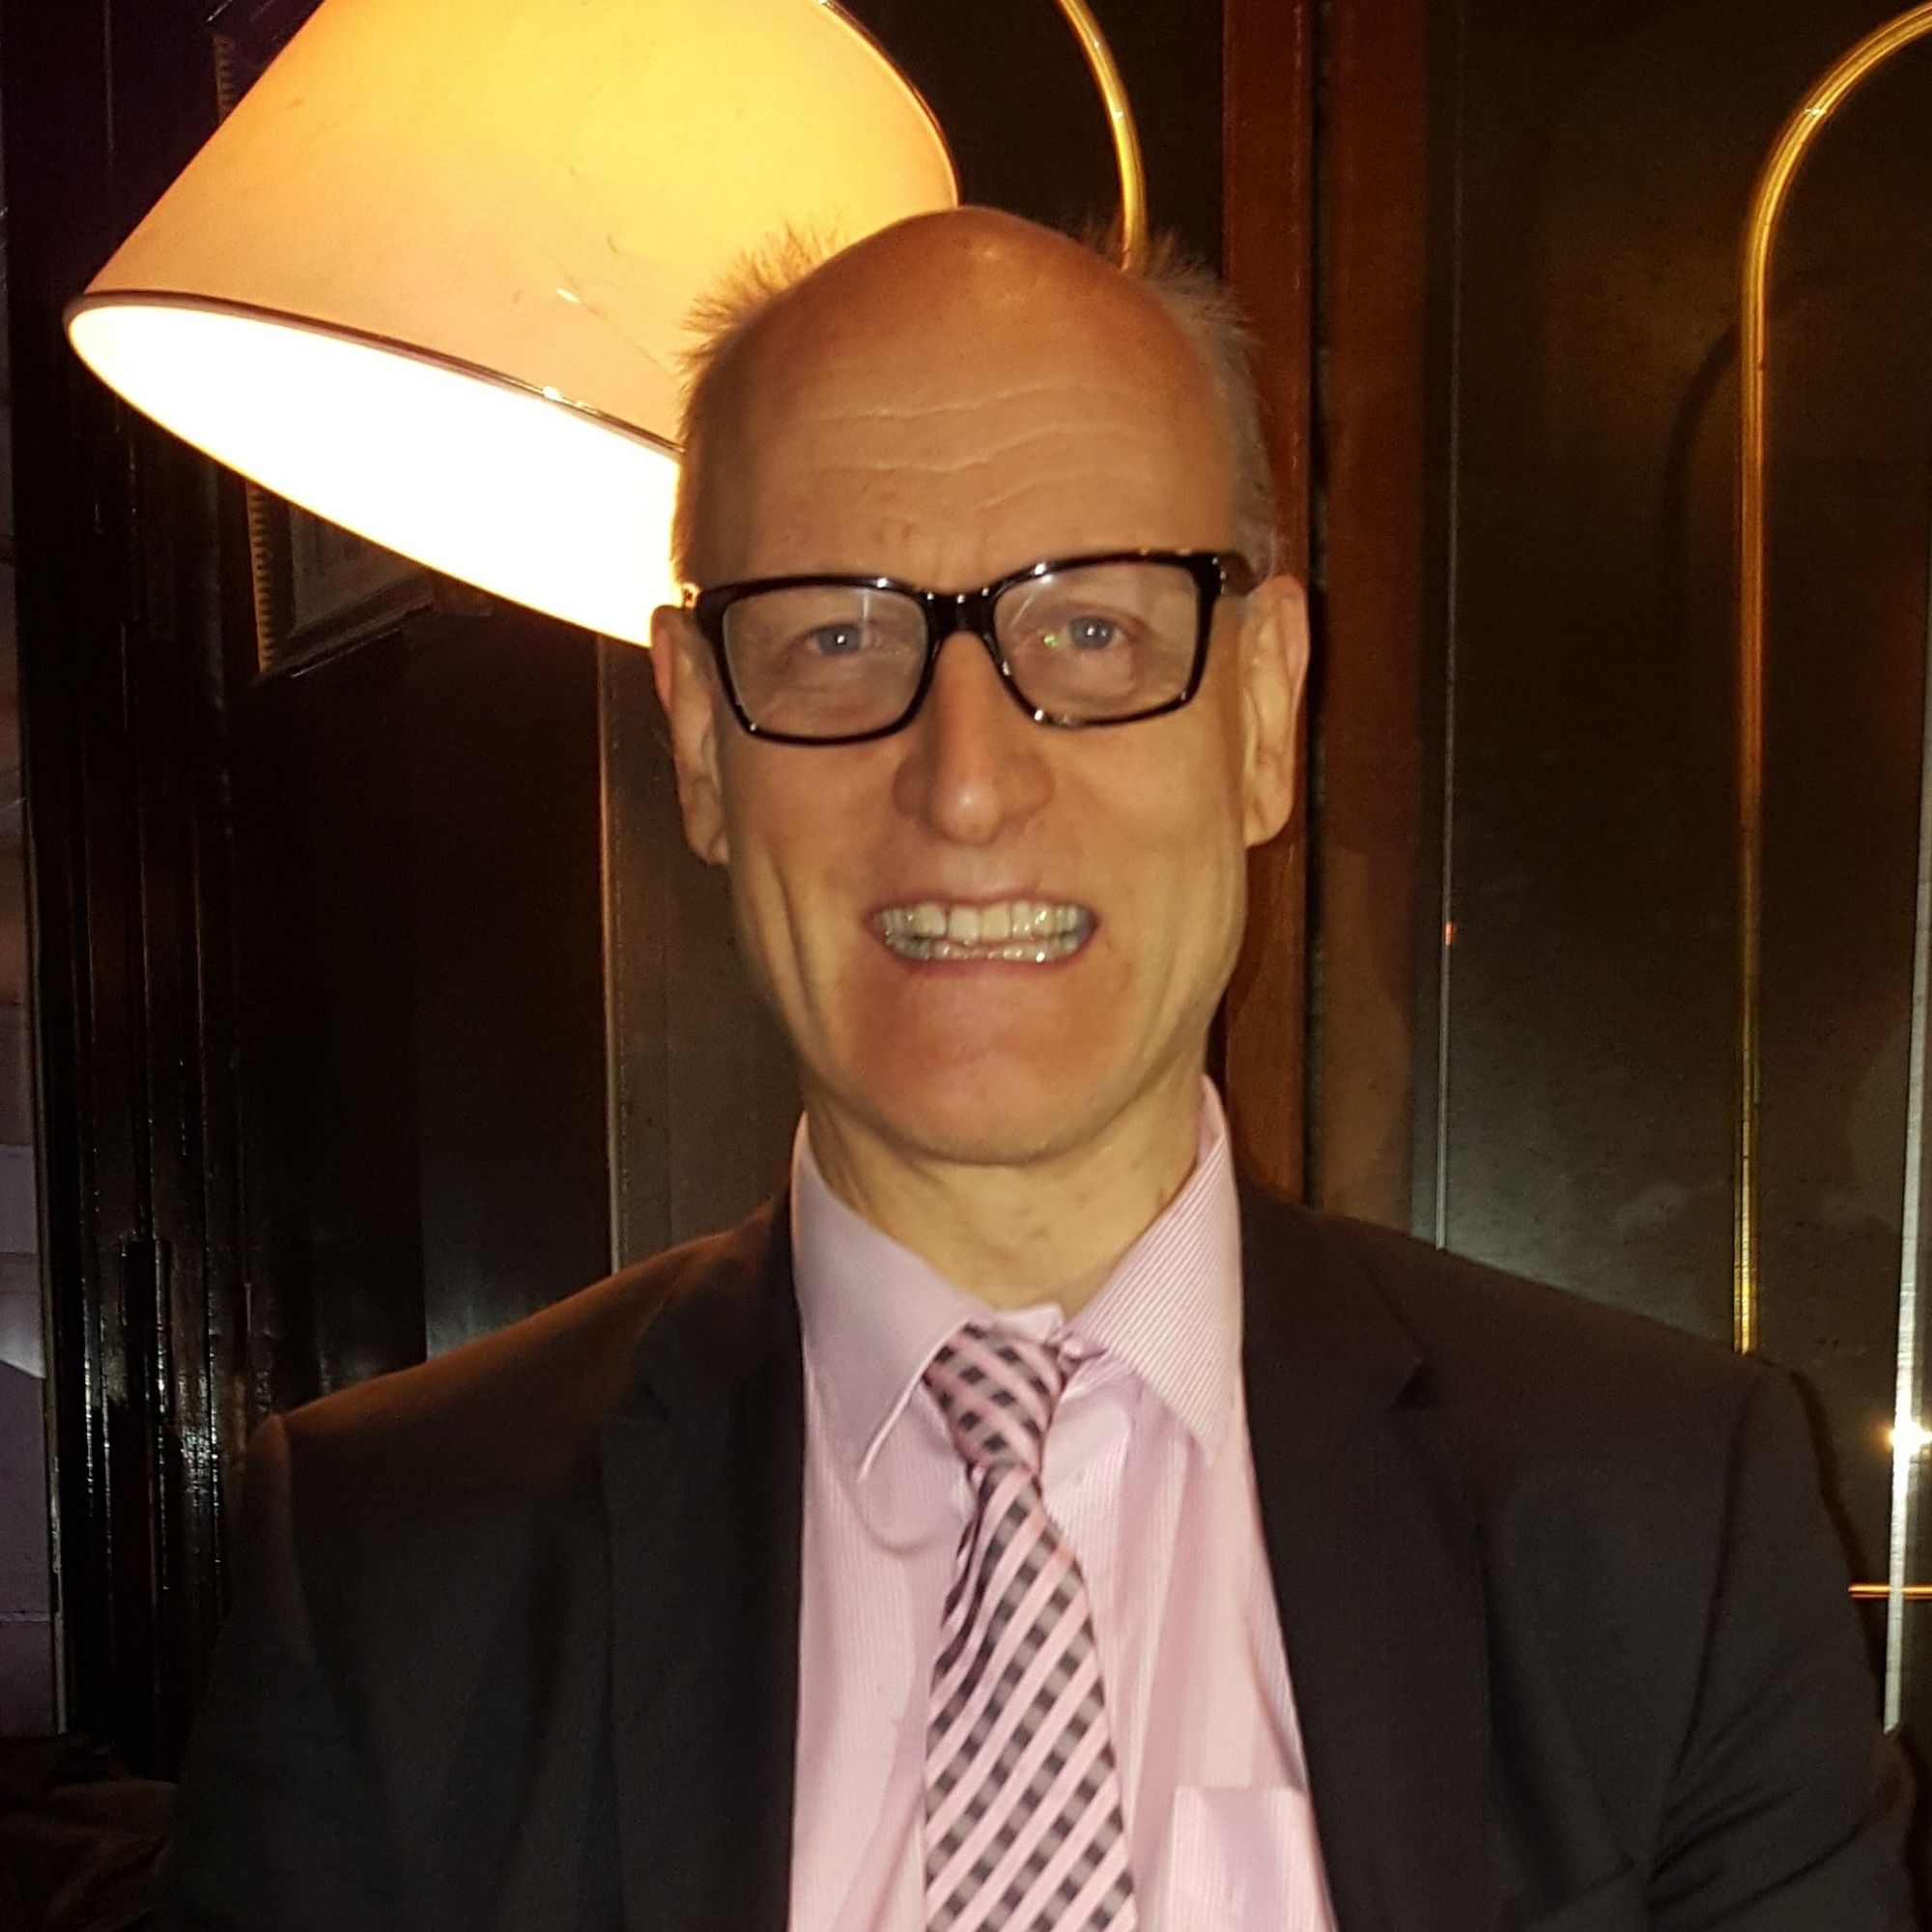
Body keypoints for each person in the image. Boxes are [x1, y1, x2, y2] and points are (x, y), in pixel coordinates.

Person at [159, 208, 1914, 1932]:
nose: (970, 783)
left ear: (1264, 715)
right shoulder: (392, 1569)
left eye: (1092, 631)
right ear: (699, 741)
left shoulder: (1664, 1522)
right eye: (837, 636)